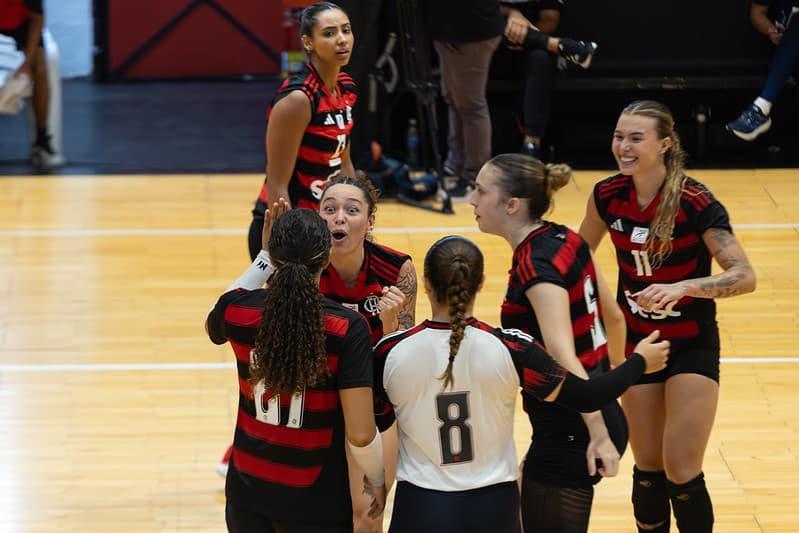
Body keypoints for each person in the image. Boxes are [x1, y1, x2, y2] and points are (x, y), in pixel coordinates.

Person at [372, 235, 670, 533]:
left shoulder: (389, 352)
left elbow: (373, 426)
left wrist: (374, 484)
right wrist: (640, 361)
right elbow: (587, 396)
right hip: (493, 506)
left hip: (421, 505)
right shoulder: (512, 348)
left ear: (425, 283)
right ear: (481, 282)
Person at [579, 100, 756, 532]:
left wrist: (685, 286)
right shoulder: (606, 195)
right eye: (619, 136)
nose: (623, 146)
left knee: (681, 469)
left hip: (690, 342)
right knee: (648, 469)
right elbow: (576, 260)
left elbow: (744, 276)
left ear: (664, 144)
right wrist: (601, 312)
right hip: (637, 344)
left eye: (636, 138)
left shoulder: (694, 201)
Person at [224, 174, 417, 533]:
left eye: (351, 209)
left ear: (370, 221)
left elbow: (405, 372)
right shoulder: (306, 284)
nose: (338, 217)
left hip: (369, 408)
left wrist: (392, 331)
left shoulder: (396, 270)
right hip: (320, 416)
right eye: (329, 209)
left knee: (367, 518)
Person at [469, 153, 629, 532]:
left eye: (480, 190)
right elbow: (616, 317)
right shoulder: (566, 238)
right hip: (593, 417)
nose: (471, 200)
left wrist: (599, 434)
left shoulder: (535, 265)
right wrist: (612, 390)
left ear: (512, 204)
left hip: (573, 433)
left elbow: (561, 355)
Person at [247, 1, 357, 258]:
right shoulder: (298, 99)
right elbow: (277, 183)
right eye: (329, 33)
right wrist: (290, 248)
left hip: (326, 226)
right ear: (308, 42)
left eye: (346, 30)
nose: (342, 40)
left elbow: (344, 162)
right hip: (290, 230)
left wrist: (357, 214)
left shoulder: (347, 88)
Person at [493, 0, 598, 159]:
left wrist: (524, 35)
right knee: (482, 18)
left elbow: (550, 19)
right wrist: (512, 12)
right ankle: (564, 46)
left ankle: (531, 144)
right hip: (483, 42)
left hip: (527, 47)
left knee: (540, 59)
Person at [0, 0, 64, 168]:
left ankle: (42, 141)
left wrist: (27, 65)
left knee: (41, 67)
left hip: (22, 26)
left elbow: (37, 19)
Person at [726, 0, 799, 141]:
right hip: (785, 48)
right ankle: (761, 109)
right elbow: (757, 14)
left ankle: (761, 107)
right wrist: (771, 31)